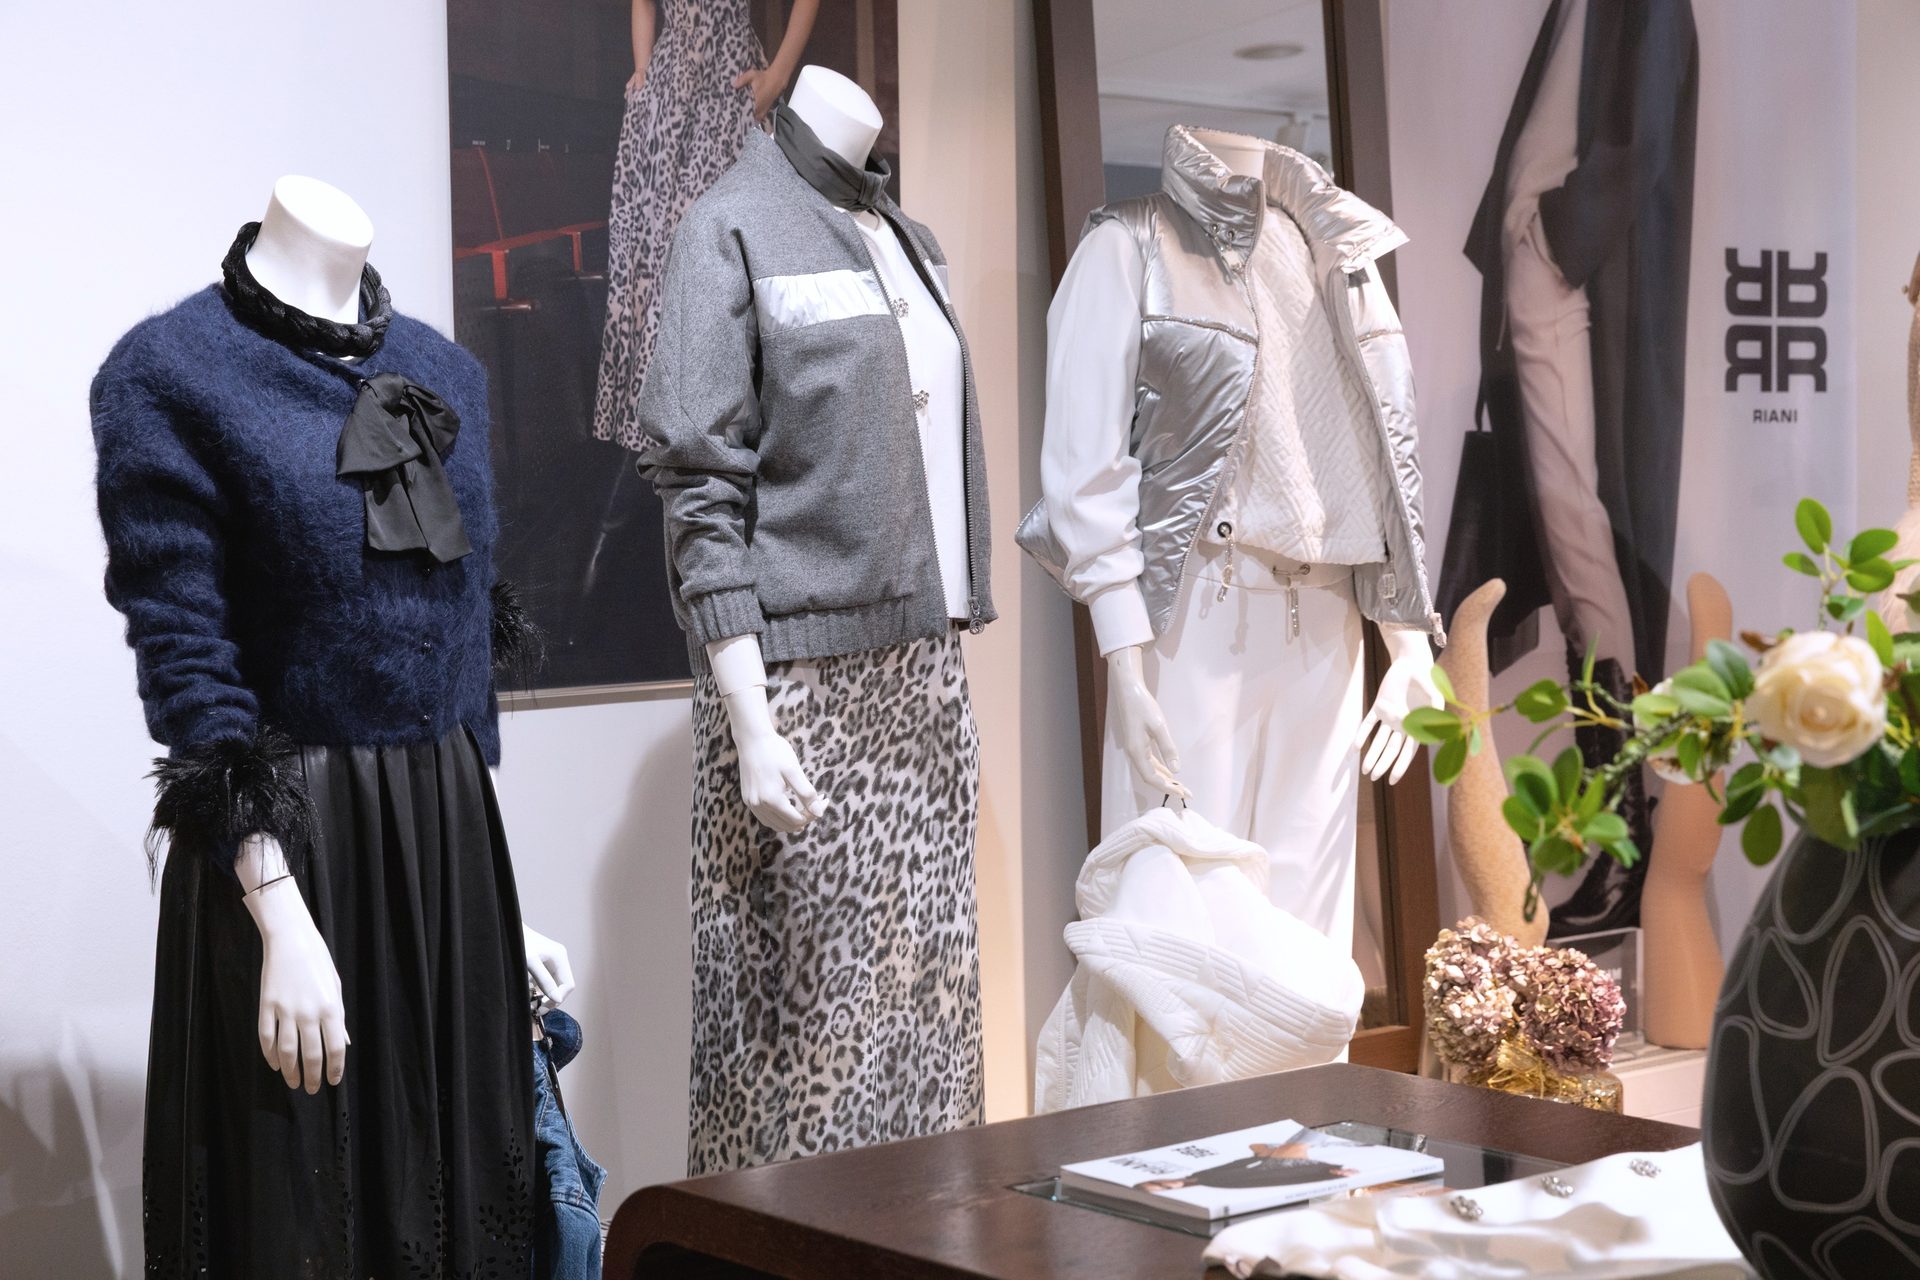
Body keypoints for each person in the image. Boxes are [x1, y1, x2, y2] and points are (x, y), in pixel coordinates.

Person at [591, 0, 820, 451]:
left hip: (732, 88)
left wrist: (777, 76)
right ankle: (664, 457)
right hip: (669, 96)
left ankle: (733, 452)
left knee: (729, 275)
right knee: (661, 273)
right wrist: (642, 73)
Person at [1140, 1138, 1359, 1193]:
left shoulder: (1201, 1174)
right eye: (1168, 1188)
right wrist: (1328, 1172)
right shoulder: (1213, 1184)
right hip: (1293, 1163)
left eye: (1161, 1183)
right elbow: (1274, 1180)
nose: (1172, 1184)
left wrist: (1261, 1154)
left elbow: (1239, 1162)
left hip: (1277, 1157)